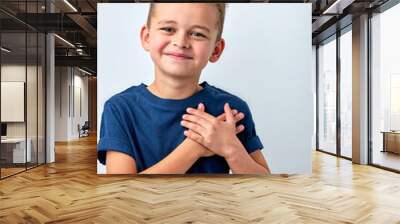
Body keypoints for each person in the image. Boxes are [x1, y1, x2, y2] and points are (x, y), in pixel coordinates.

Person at [98, 3, 270, 174]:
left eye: (197, 34)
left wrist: (231, 148)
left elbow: (266, 187)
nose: (180, 42)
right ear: (147, 37)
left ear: (216, 50)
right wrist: (194, 147)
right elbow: (121, 192)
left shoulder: (231, 111)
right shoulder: (120, 109)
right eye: (168, 29)